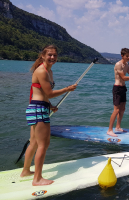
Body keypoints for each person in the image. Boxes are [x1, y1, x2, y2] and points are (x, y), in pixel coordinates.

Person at [20, 45, 77, 186]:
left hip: (39, 107)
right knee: (43, 144)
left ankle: (26, 171)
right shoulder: (42, 71)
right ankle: (37, 179)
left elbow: (43, 94)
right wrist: (67, 89)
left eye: (55, 55)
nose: (52, 57)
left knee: (34, 142)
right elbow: (50, 93)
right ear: (43, 55)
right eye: (50, 55)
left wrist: (50, 105)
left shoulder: (49, 71)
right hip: (38, 109)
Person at [107, 48, 129, 137]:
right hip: (117, 88)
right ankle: (110, 130)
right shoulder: (118, 65)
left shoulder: (126, 65)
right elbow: (123, 78)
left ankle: (118, 127)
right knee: (116, 110)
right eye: (127, 56)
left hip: (123, 88)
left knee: (122, 109)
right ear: (122, 56)